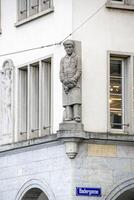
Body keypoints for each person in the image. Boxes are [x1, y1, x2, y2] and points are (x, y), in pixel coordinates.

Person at [60, 40, 82, 122]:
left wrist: (74, 79)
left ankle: (76, 116)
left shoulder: (77, 58)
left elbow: (79, 70)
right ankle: (68, 116)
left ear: (72, 48)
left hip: (75, 82)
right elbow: (61, 72)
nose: (68, 49)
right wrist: (64, 80)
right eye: (67, 48)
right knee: (67, 101)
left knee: (75, 99)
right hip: (65, 83)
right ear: (65, 49)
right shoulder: (63, 59)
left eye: (70, 47)